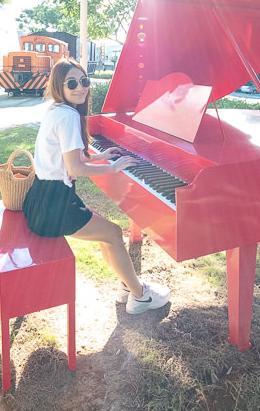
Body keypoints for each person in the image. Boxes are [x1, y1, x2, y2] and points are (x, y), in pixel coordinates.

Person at [21, 58, 171, 314]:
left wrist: (101, 156)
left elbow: (69, 156)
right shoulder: (68, 116)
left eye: (84, 81)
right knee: (112, 234)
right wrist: (112, 167)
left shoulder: (56, 110)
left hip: (42, 199)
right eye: (72, 83)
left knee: (110, 235)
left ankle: (128, 286)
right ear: (60, 86)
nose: (81, 88)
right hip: (53, 208)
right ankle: (140, 296)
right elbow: (74, 168)